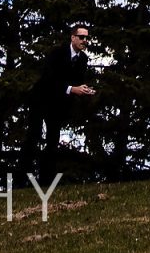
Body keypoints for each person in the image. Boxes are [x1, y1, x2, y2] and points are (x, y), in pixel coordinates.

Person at [28, 20, 98, 169]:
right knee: (32, 138)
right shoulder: (57, 53)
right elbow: (49, 79)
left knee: (53, 140)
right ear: (72, 37)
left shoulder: (83, 59)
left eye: (86, 38)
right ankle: (21, 181)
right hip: (40, 99)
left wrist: (84, 90)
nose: (84, 41)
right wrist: (71, 89)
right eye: (81, 37)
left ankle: (46, 182)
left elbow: (77, 82)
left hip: (58, 104)